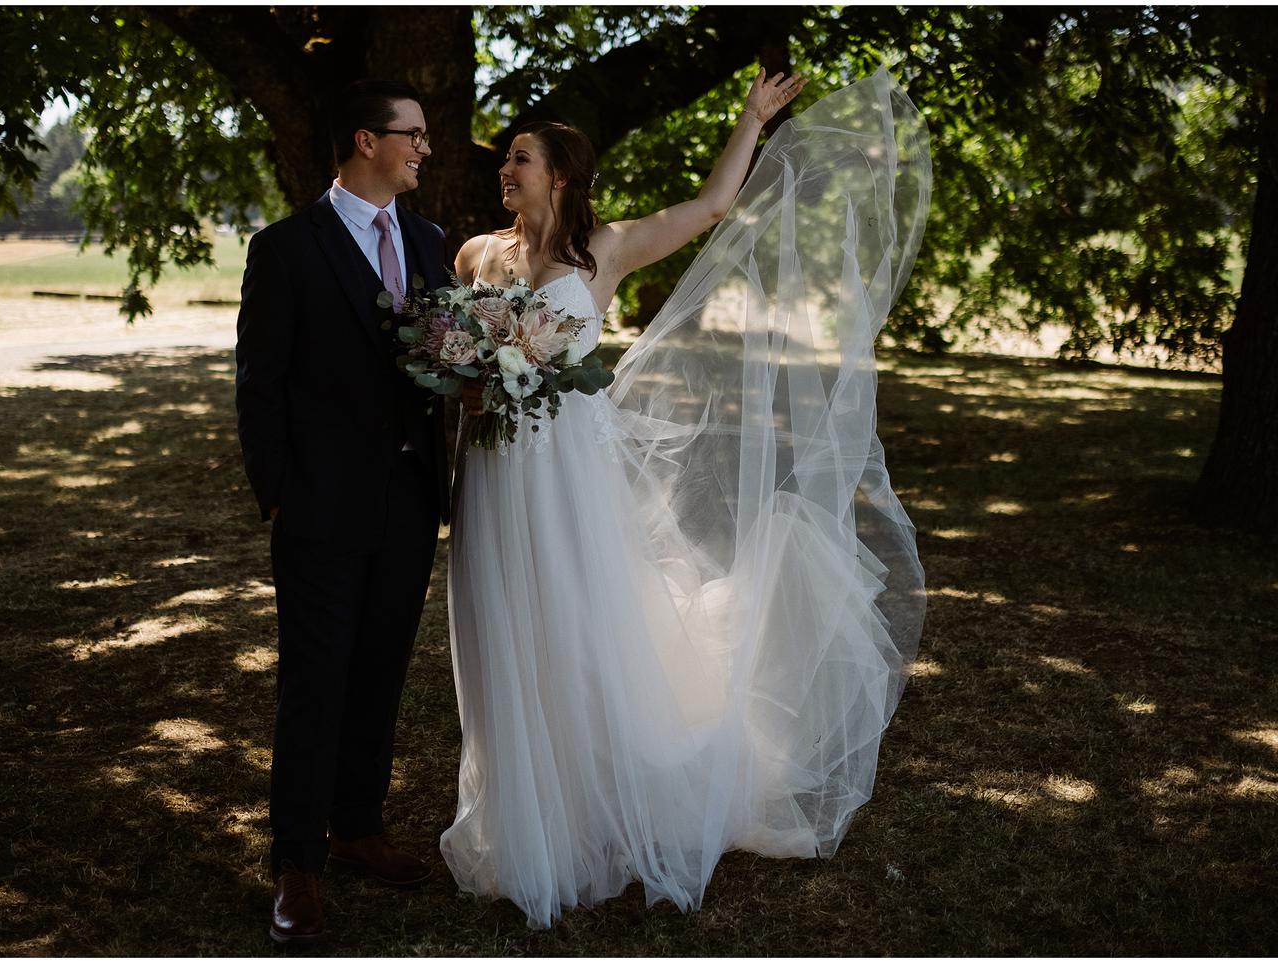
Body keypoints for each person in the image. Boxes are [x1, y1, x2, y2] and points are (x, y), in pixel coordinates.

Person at [443, 67, 931, 928]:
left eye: (520, 158)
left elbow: (710, 208)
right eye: (505, 159)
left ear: (559, 174)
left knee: (579, 622)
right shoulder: (477, 255)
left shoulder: (609, 247)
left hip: (569, 474)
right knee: (501, 624)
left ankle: (598, 801)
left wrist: (749, 120)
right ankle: (525, 816)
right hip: (493, 469)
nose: (504, 169)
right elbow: (457, 354)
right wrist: (464, 377)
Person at [234, 79, 452, 944]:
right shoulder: (286, 247)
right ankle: (297, 862)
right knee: (314, 685)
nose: (426, 149)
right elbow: (261, 382)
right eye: (415, 136)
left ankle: (359, 826)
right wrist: (280, 491)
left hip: (408, 505)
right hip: (320, 507)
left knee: (380, 673)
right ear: (367, 140)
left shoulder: (432, 243)